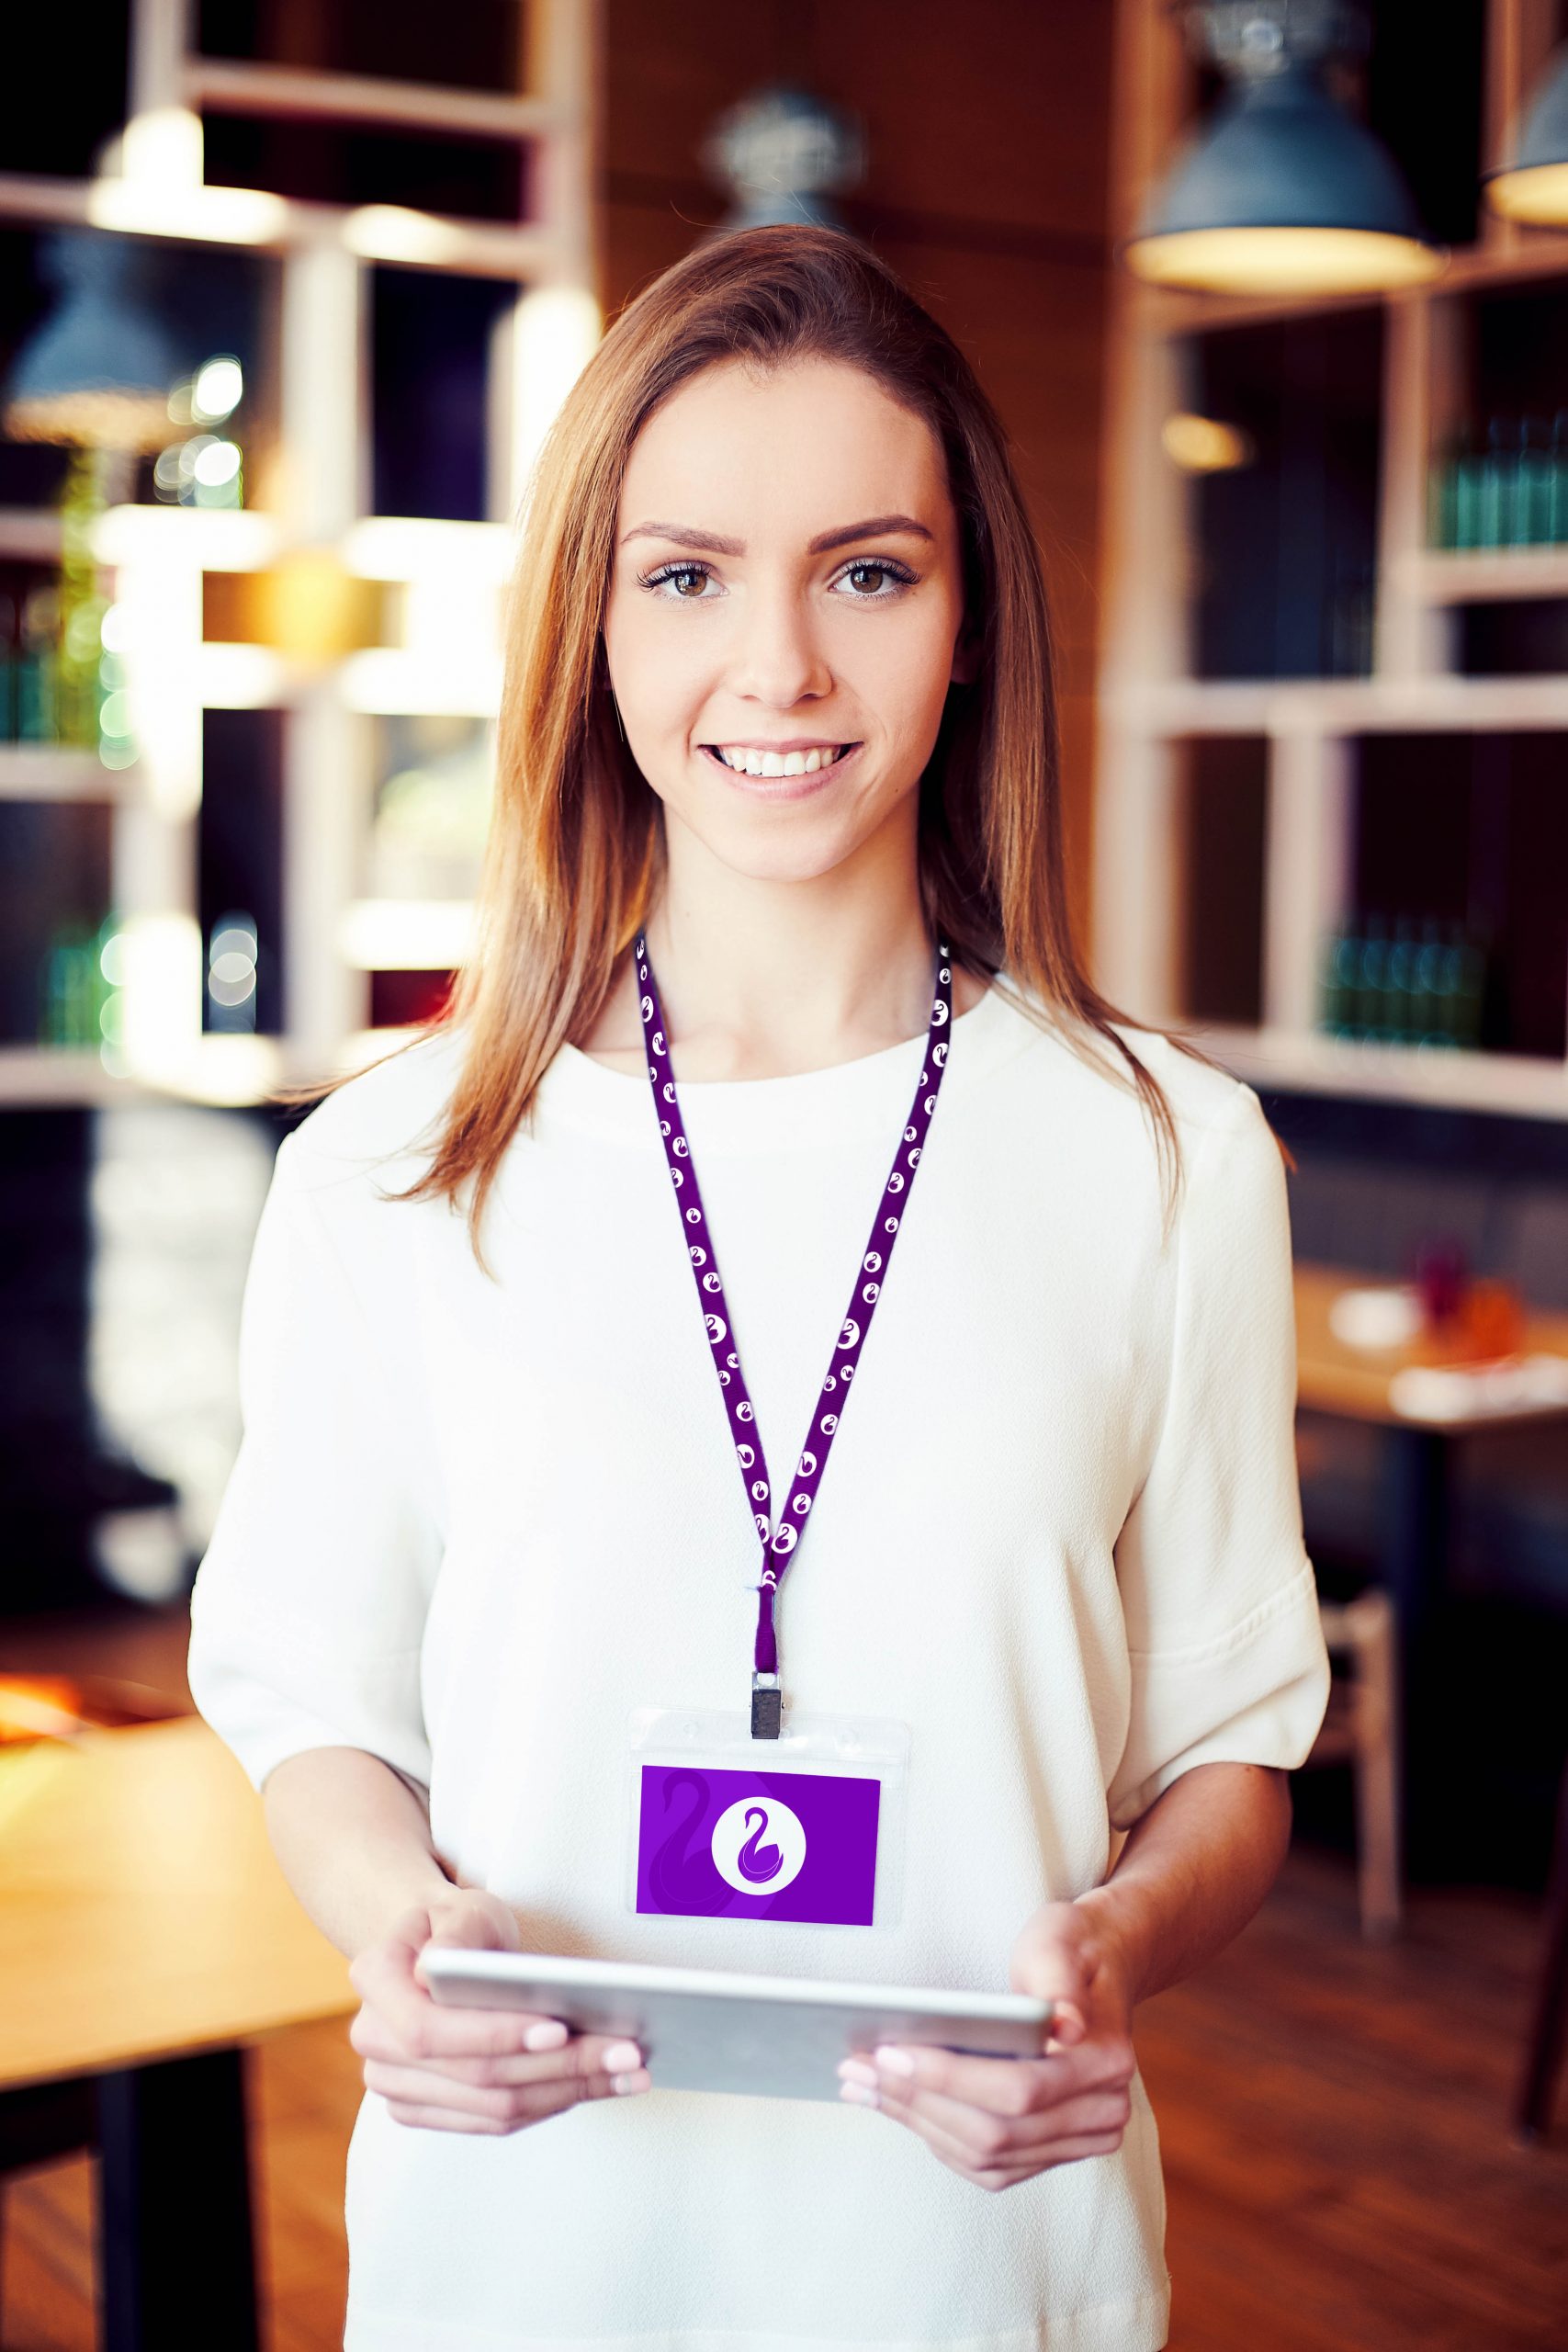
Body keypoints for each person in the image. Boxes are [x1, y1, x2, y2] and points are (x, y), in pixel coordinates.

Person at [186, 223, 1331, 2352]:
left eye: (867, 570)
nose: (779, 667)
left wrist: (1114, 1946)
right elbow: (312, 1698)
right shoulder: (388, 1162)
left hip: (979, 2259)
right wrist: (393, 1930)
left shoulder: (1166, 1154)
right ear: (590, 627)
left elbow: (1228, 1755)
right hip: (518, 2242)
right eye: (687, 573)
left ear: (969, 613)